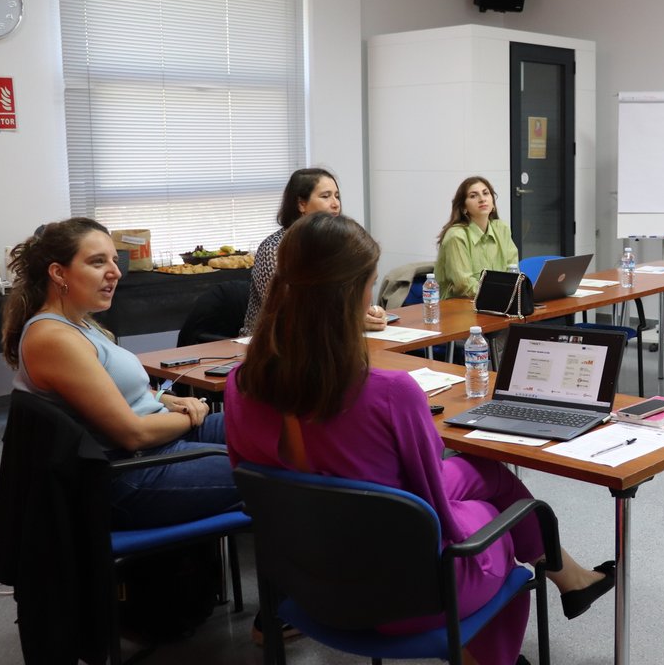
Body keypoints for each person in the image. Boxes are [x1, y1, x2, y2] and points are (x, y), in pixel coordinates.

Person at [225, 213, 614, 665]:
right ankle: (502, 645)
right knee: (492, 515)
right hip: (410, 596)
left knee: (483, 473)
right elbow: (437, 512)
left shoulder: (241, 384)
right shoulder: (390, 394)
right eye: (370, 283)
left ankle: (567, 583)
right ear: (353, 293)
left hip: (306, 584)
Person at [1, 218, 241, 529]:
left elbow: (119, 393)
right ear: (59, 272)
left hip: (155, 443)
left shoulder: (81, 323)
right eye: (97, 262)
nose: (115, 272)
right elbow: (133, 434)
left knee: (268, 429)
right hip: (128, 473)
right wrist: (193, 413)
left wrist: (167, 400)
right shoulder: (53, 338)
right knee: (264, 467)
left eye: (114, 260)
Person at [241, 167, 387, 335]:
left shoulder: (339, 244)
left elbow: (354, 294)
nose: (335, 204)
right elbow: (288, 310)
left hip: (327, 338)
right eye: (325, 196)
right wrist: (351, 319)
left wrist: (370, 312)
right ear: (301, 204)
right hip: (271, 341)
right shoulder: (274, 248)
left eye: (337, 196)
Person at [435, 176, 519, 299]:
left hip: (498, 302)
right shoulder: (456, 236)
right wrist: (501, 292)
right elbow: (464, 285)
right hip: (459, 307)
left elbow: (512, 270)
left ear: (493, 202)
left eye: (486, 193)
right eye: (473, 196)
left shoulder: (502, 229)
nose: (482, 199)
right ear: (464, 207)